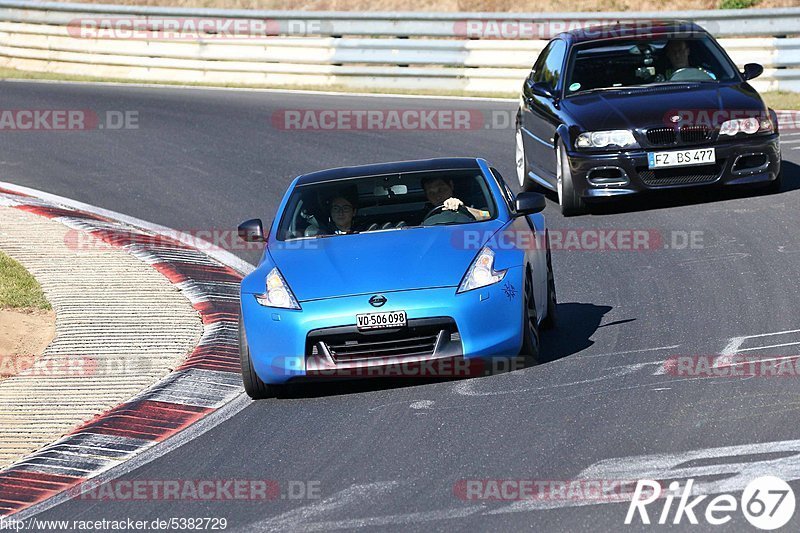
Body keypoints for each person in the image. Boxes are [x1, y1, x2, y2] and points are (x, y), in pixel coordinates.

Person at [420, 176, 490, 222]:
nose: (438, 196)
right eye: (431, 193)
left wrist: (464, 208)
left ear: (451, 185)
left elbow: (488, 215)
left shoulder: (474, 202)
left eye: (441, 190)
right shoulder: (422, 214)